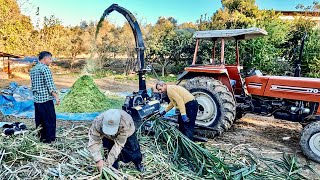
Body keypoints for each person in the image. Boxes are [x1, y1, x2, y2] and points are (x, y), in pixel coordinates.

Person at [30, 51, 60, 143]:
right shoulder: (45, 69)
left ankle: (41, 138)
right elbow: (50, 85)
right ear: (45, 59)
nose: (50, 61)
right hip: (46, 99)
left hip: (37, 100)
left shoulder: (33, 69)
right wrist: (56, 97)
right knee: (50, 120)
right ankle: (49, 139)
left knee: (40, 120)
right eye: (50, 59)